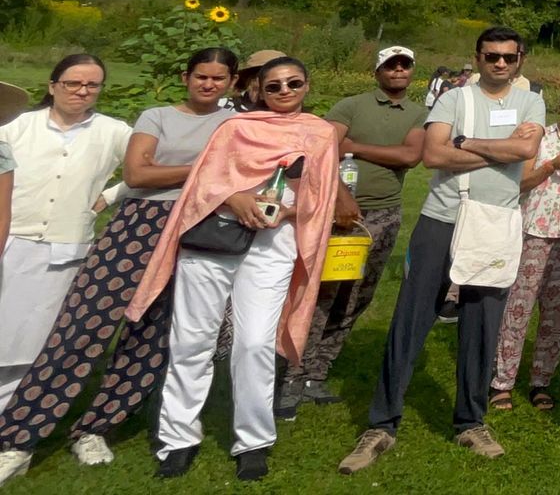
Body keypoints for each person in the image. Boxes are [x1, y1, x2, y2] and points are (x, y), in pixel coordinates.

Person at [0, 49, 237, 482]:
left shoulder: (236, 124)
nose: (209, 84)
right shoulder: (157, 115)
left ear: (232, 82)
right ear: (186, 76)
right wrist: (210, 167)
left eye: (219, 78)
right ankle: (17, 437)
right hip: (139, 225)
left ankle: (94, 427)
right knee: (83, 327)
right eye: (201, 75)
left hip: (196, 227)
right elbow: (139, 174)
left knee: (151, 338)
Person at [338, 26, 544, 473]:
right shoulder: (454, 98)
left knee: (482, 322)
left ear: (521, 59)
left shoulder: (530, 101)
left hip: (494, 222)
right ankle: (382, 422)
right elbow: (433, 155)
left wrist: (465, 144)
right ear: (479, 56)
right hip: (442, 218)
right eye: (492, 56)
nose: (500, 64)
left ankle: (471, 420)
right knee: (412, 317)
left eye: (509, 57)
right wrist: (499, 152)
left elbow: (526, 149)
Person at [130, 56, 338, 482]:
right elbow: (202, 181)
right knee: (192, 340)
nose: (284, 92)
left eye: (293, 83)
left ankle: (254, 441)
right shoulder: (233, 128)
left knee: (255, 343)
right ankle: (178, 438)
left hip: (272, 244)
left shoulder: (319, 133)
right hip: (212, 238)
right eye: (274, 85)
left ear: (307, 85)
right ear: (259, 90)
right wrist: (234, 199)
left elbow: (322, 192)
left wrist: (286, 211)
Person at [275, 46, 427, 418]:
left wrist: (354, 146)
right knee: (322, 293)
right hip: (339, 215)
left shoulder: (419, 112)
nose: (397, 71)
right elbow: (323, 148)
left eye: (404, 66)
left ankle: (318, 371)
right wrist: (342, 194)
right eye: (390, 65)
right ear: (377, 71)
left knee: (358, 295)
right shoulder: (351, 105)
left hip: (384, 214)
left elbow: (410, 157)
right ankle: (292, 376)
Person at [0, 55, 131, 410]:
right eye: (73, 83)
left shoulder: (113, 131)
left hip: (66, 246)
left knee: (36, 335)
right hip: (12, 239)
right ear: (53, 86)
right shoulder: (18, 127)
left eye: (92, 85)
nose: (82, 91)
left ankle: (14, 419)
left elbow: (144, 168)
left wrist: (109, 195)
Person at [489, 79, 560, 412]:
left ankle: (541, 381)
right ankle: (502, 381)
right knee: (519, 305)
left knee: (556, 311)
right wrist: (552, 165)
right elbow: (521, 181)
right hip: (535, 228)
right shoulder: (543, 136)